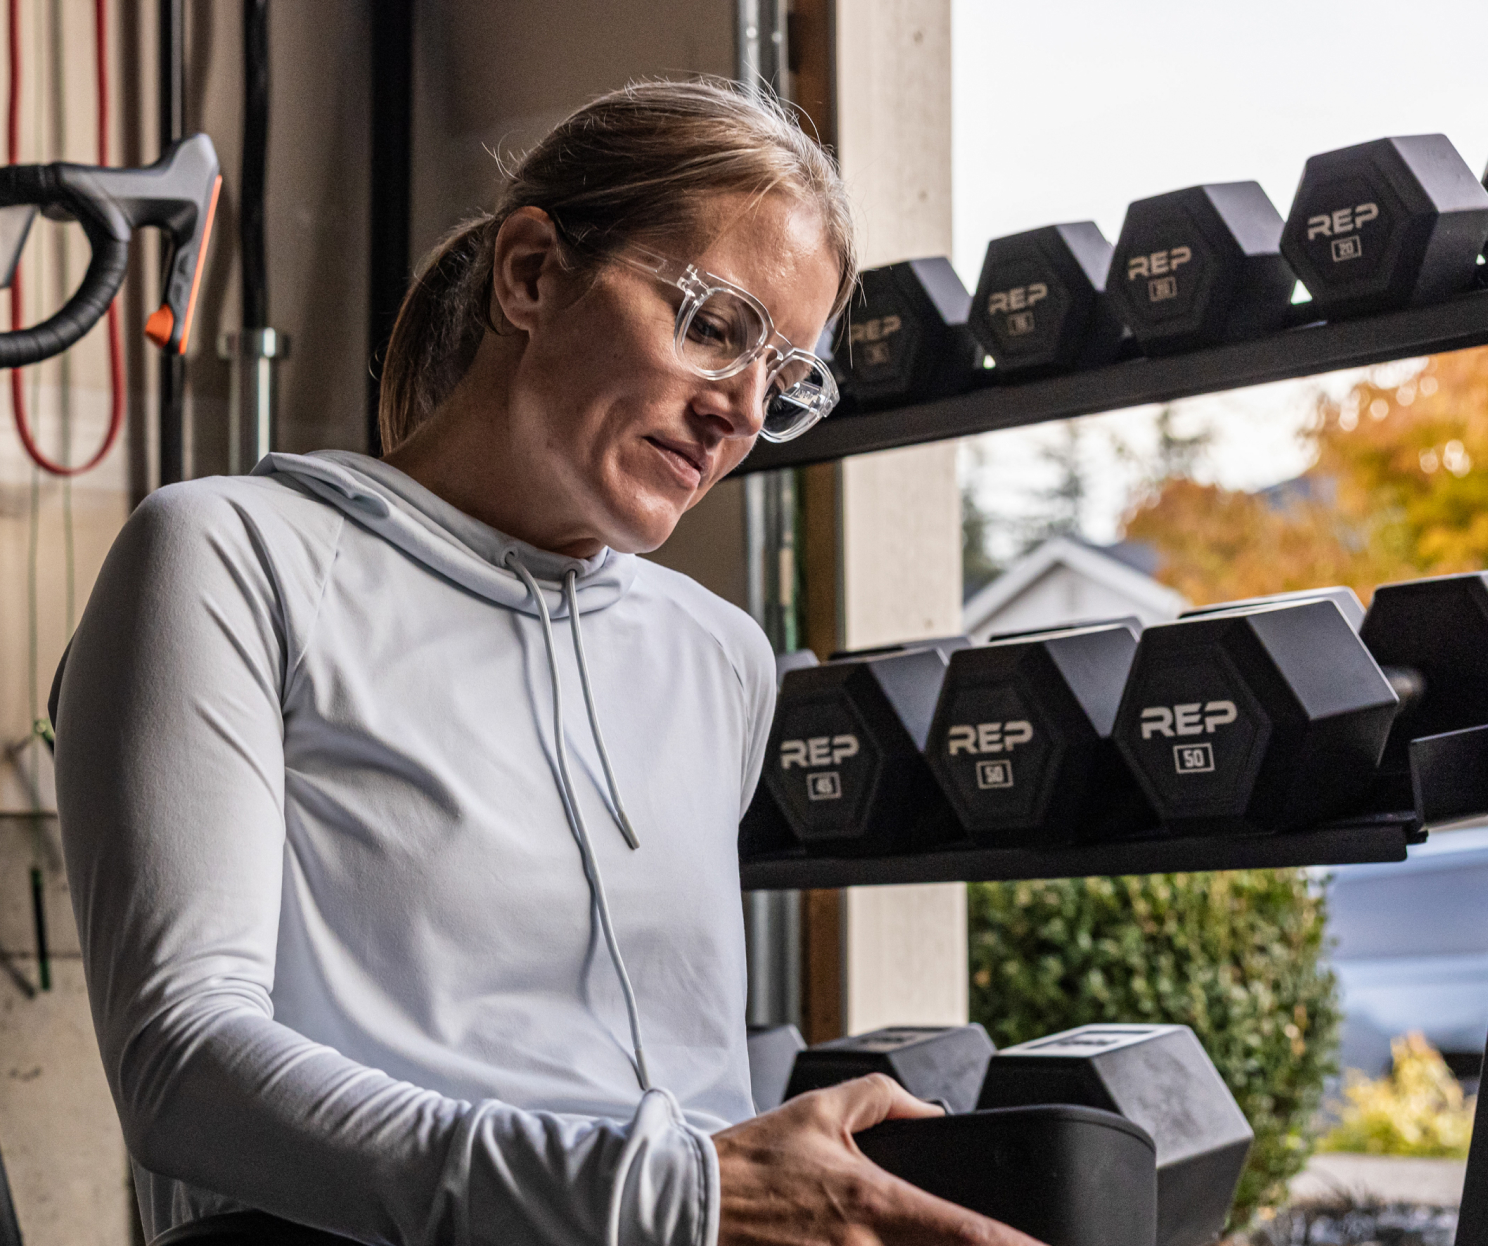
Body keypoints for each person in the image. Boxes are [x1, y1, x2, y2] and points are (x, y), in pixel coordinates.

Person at [52, 79, 1040, 1246]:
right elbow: (184, 1067)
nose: (737, 409)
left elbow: (670, 1086)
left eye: (782, 378)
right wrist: (675, 1198)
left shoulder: (717, 657)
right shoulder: (231, 556)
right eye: (715, 326)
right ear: (530, 274)